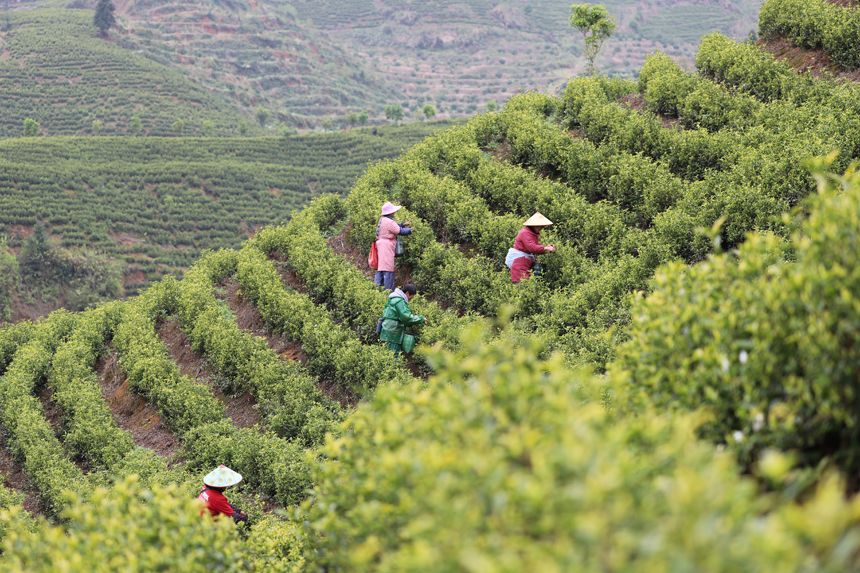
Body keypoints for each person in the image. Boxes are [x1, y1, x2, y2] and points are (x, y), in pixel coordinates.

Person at [506, 212, 556, 283]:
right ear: (533, 225)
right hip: (519, 261)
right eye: (539, 226)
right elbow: (532, 247)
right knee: (521, 283)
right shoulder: (525, 233)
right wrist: (545, 248)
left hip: (523, 260)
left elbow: (534, 247)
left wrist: (546, 248)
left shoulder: (531, 233)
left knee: (528, 283)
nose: (541, 228)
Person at [374, 201, 412, 291]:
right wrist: (411, 230)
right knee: (388, 268)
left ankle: (377, 288)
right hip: (386, 246)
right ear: (390, 212)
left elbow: (394, 227)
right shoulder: (389, 222)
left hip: (381, 245)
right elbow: (400, 231)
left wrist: (403, 224)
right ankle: (388, 290)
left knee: (381, 267)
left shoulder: (382, 220)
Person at [379, 284, 425, 353]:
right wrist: (421, 319)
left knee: (386, 354)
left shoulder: (392, 299)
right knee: (394, 355)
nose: (410, 299)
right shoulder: (399, 301)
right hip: (393, 334)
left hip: (386, 332)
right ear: (407, 293)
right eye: (411, 297)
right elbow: (406, 317)